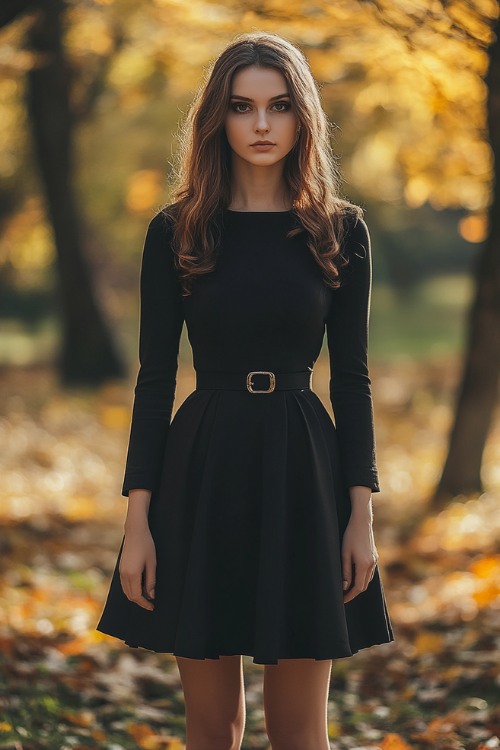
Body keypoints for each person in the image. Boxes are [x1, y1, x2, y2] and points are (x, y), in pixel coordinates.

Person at [97, 31, 394, 750]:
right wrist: (137, 522)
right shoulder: (177, 230)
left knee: (298, 730)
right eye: (242, 106)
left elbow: (352, 379)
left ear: (303, 118)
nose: (261, 124)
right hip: (203, 466)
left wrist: (362, 513)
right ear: (217, 119)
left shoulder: (340, 232)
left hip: (303, 469)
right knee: (212, 727)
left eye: (279, 106)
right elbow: (155, 379)